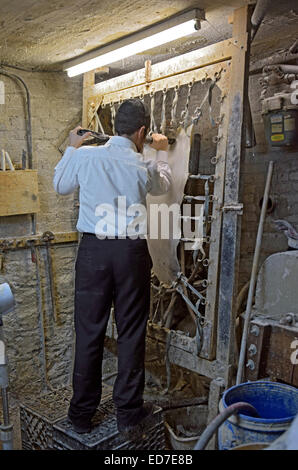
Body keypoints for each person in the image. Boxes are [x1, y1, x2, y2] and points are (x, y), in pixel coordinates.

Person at [53, 98, 172, 434]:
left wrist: (73, 148)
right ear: (142, 131)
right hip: (131, 253)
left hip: (93, 252)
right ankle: (128, 414)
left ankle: (80, 416)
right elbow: (164, 185)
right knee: (131, 332)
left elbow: (60, 186)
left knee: (89, 331)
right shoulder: (142, 164)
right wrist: (159, 150)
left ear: (115, 127)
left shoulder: (88, 155)